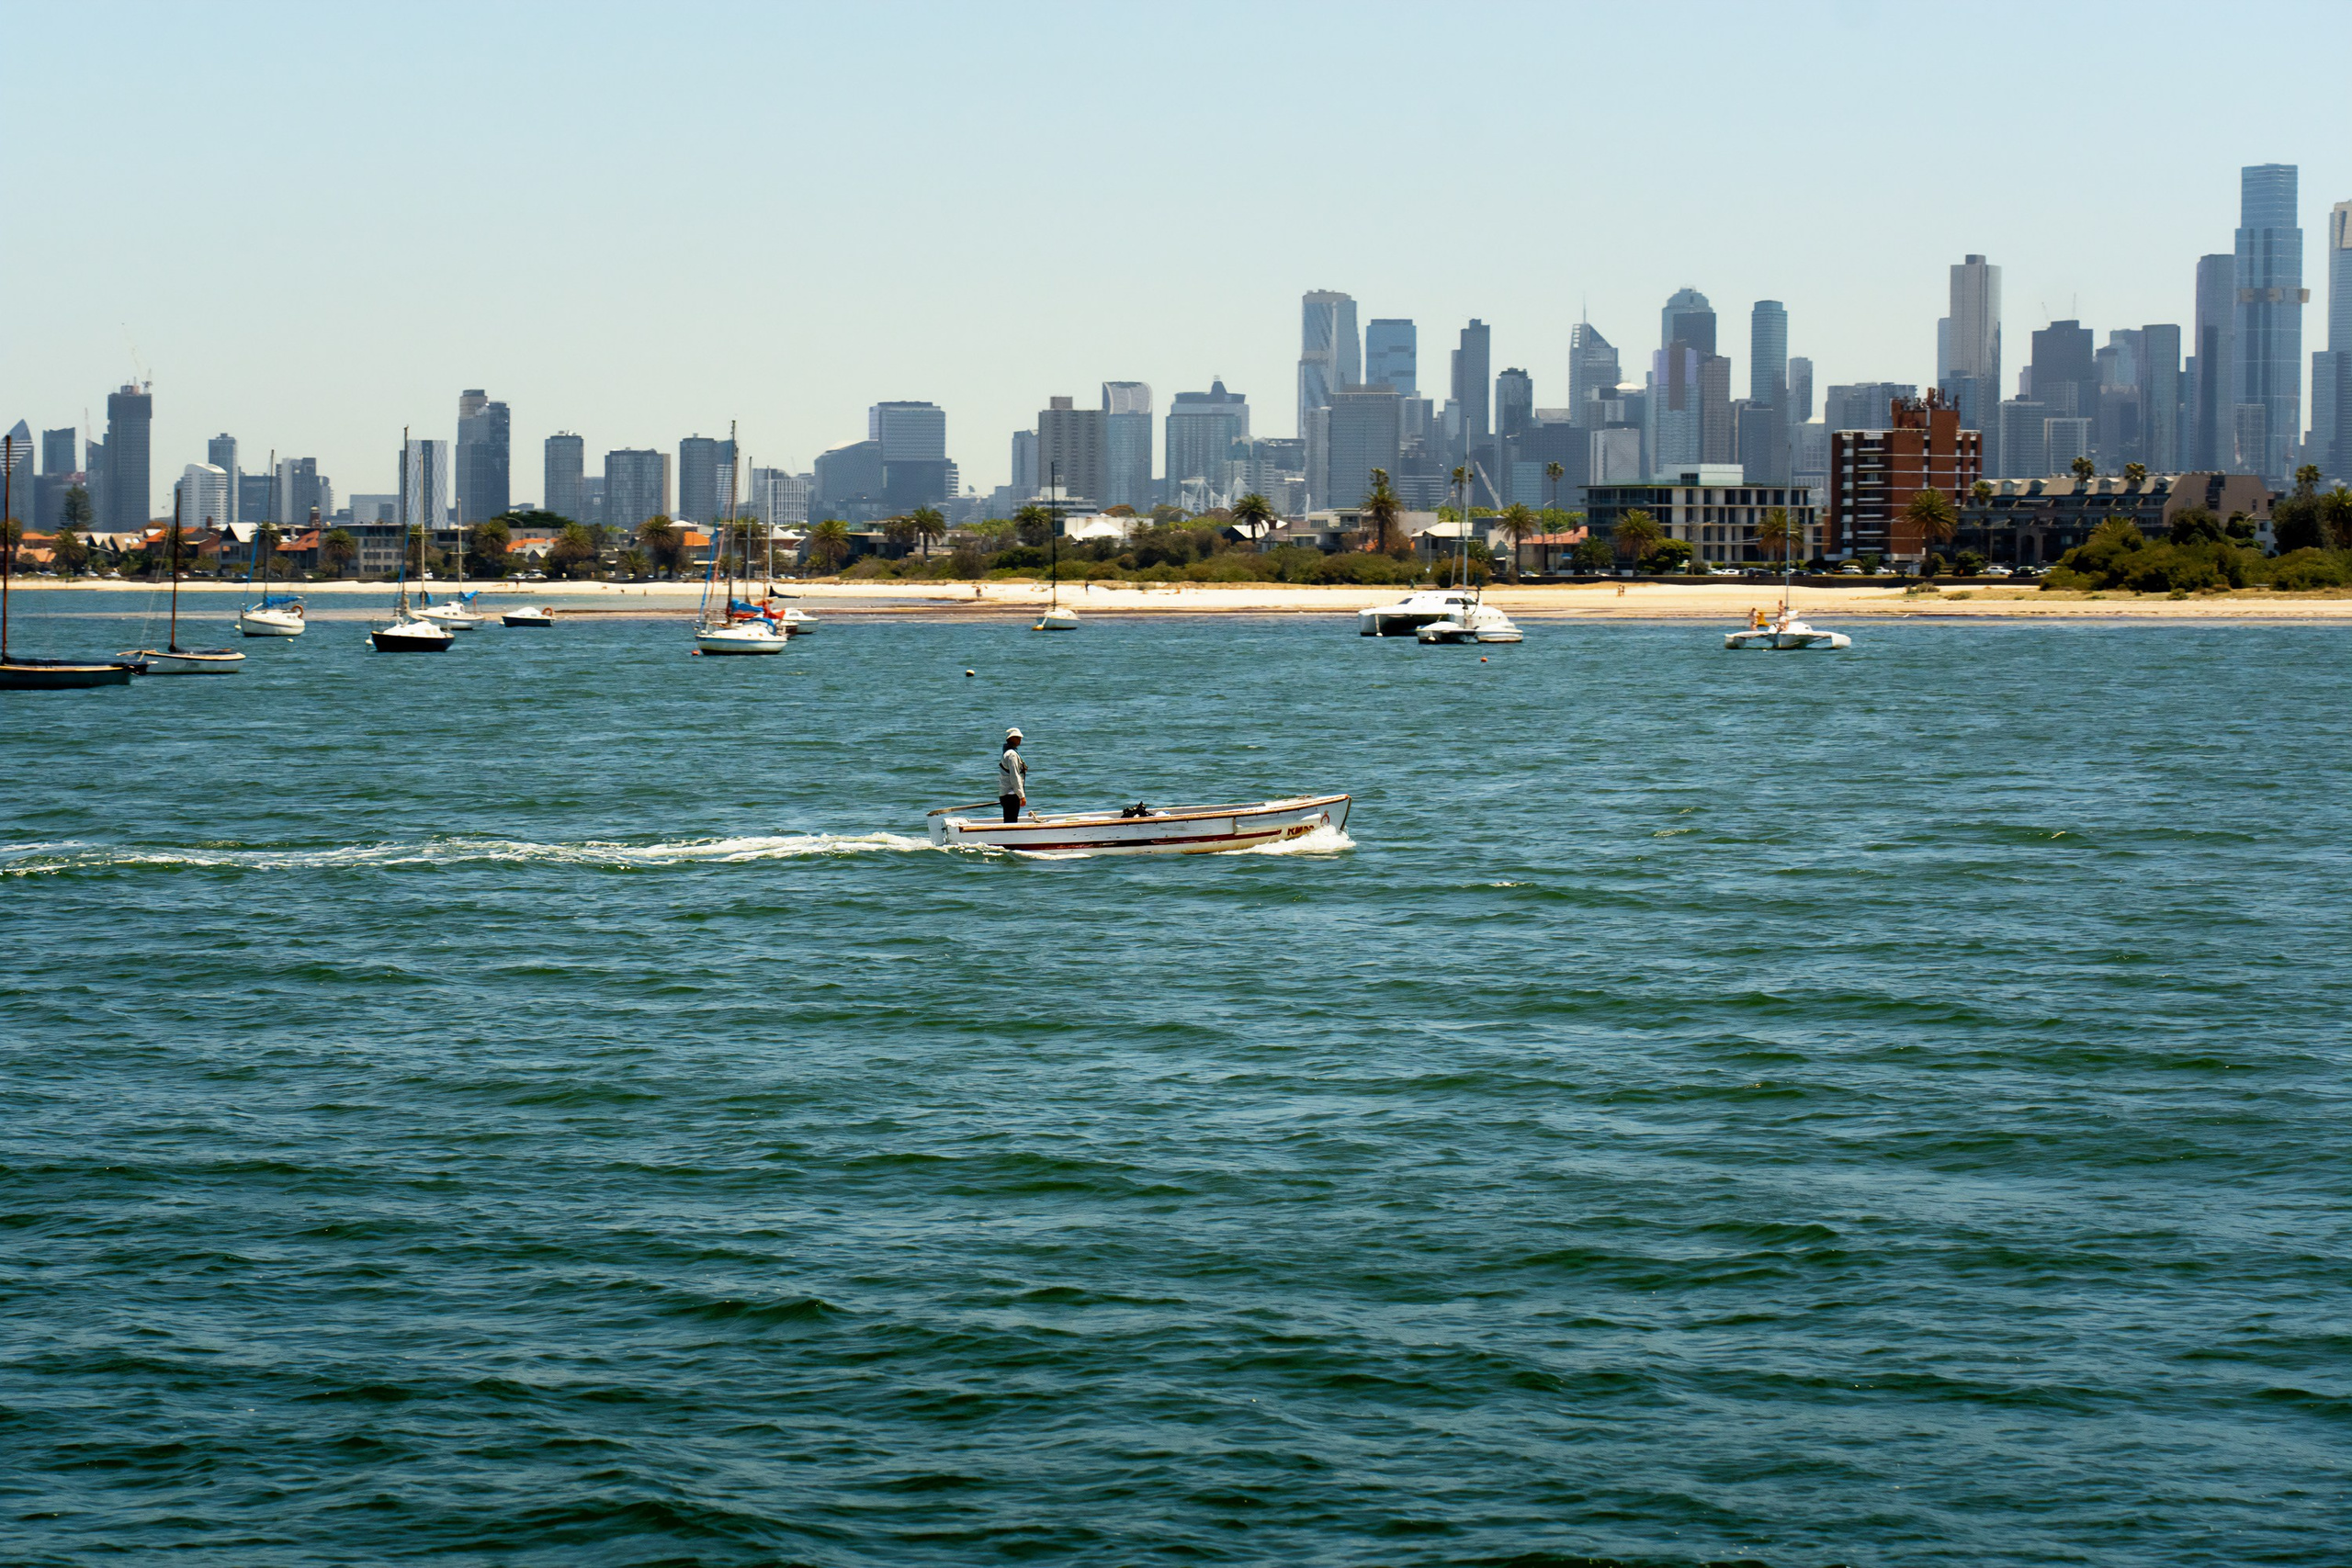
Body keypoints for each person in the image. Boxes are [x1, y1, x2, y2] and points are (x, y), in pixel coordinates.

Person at [998, 728, 1027, 822]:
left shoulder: (1007, 752)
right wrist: (1021, 796)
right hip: (1011, 794)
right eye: (1017, 738)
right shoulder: (1012, 755)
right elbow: (1015, 777)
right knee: (1011, 821)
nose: (1020, 740)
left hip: (1006, 794)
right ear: (1011, 739)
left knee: (1009, 820)